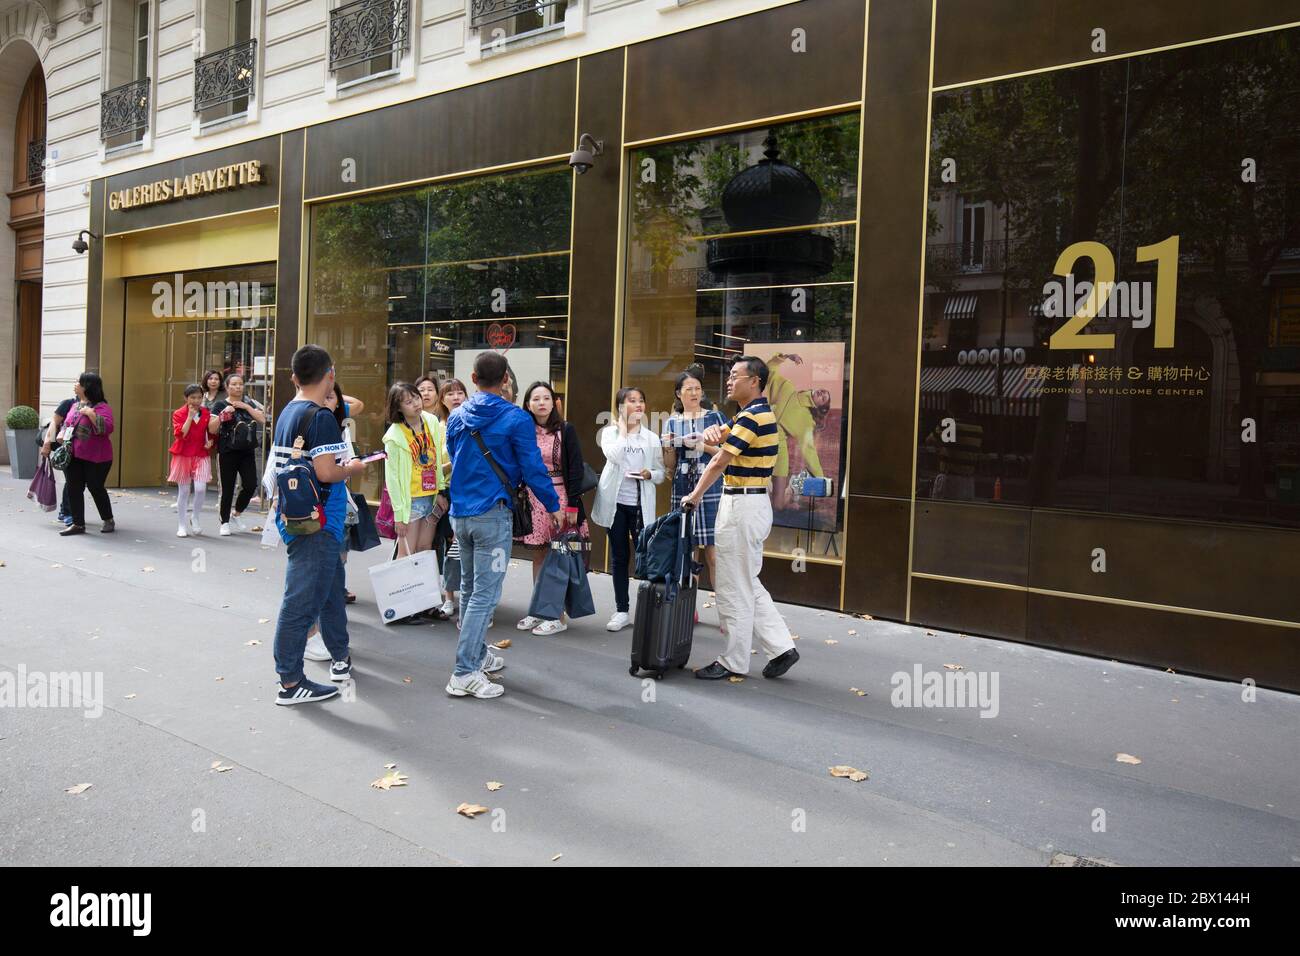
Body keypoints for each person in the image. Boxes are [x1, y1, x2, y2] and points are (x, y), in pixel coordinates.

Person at [443, 351, 561, 700]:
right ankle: (464, 670)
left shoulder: (457, 416)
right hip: (492, 516)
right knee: (485, 593)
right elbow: (532, 468)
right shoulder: (516, 419)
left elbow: (454, 454)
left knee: (470, 588)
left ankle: (477, 655)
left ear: (473, 379)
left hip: (460, 513)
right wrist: (553, 505)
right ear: (506, 379)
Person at [680, 356, 800, 681]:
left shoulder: (752, 416)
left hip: (742, 507)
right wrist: (703, 440)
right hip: (748, 505)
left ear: (755, 381)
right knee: (748, 581)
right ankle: (781, 647)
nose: (729, 381)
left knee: (733, 586)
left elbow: (720, 461)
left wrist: (694, 495)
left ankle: (734, 661)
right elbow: (720, 451)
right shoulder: (749, 416)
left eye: (736, 376)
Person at [265, 345, 371, 705]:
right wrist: (353, 468)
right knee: (301, 601)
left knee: (325, 592)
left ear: (294, 377)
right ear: (330, 374)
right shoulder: (320, 416)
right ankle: (290, 682)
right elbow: (327, 472)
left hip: (296, 517)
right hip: (318, 522)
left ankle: (333, 658)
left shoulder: (288, 412)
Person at [514, 382, 590, 636]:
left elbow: (576, 469)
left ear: (554, 402)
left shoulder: (566, 430)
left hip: (561, 497)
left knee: (559, 558)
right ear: (527, 404)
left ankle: (557, 615)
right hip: (534, 499)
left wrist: (572, 505)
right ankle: (539, 610)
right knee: (539, 557)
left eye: (546, 397)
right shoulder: (523, 430)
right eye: (536, 398)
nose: (541, 403)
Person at [591, 386, 665, 632]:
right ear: (621, 407)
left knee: (645, 557)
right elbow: (613, 455)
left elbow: (661, 474)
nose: (638, 405)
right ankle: (622, 610)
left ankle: (646, 612)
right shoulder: (610, 434)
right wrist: (623, 431)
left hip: (641, 504)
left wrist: (649, 473)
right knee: (619, 557)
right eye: (632, 401)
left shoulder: (652, 438)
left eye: (641, 400)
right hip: (616, 504)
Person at [382, 382, 448, 620]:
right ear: (398, 408)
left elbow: (436, 460)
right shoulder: (394, 436)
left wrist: (440, 490)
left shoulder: (430, 422)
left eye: (416, 398)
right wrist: (399, 514)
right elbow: (393, 479)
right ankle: (402, 606)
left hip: (429, 497)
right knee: (406, 553)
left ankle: (427, 602)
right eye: (408, 402)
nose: (416, 404)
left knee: (424, 551)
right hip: (409, 501)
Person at [662, 369, 726, 595]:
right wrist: (669, 446)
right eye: (688, 389)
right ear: (678, 394)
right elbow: (669, 464)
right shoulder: (671, 422)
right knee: (688, 549)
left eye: (697, 388)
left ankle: (725, 610)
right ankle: (688, 607)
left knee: (713, 551)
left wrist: (702, 446)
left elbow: (726, 453)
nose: (694, 393)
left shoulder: (714, 418)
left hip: (711, 485)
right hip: (682, 485)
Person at [208, 373, 266, 536]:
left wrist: (246, 407)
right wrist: (224, 414)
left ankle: (237, 513)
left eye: (240, 384)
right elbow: (212, 428)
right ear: (227, 387)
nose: (237, 387)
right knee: (227, 488)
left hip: (247, 450)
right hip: (227, 451)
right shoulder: (220, 404)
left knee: (250, 485)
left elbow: (262, 419)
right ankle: (224, 522)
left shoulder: (249, 402)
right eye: (233, 384)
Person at [58, 372, 115, 537]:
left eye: (79, 382)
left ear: (87, 387)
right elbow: (67, 424)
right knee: (74, 487)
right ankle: (77, 524)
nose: (76, 384)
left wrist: (91, 414)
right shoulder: (75, 405)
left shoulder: (102, 407)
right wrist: (62, 433)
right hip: (73, 454)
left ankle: (108, 519)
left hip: (97, 457)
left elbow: (107, 428)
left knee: (95, 487)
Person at [432, 378, 468, 618]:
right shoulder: (436, 426)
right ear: (442, 399)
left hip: (466, 491)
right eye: (450, 393)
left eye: (460, 392)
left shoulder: (470, 422)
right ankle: (448, 597)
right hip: (442, 491)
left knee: (460, 545)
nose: (456, 397)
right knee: (446, 545)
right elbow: (430, 463)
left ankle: (467, 596)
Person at [169, 385, 214, 538]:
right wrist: (189, 417)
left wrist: (210, 442)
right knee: (184, 491)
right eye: (192, 397)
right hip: (183, 454)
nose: (196, 401)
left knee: (201, 488)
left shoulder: (206, 413)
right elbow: (180, 434)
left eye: (199, 398)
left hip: (201, 453)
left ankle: (195, 517)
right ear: (186, 398)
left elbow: (210, 433)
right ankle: (181, 525)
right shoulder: (178, 413)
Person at [924, 387, 983, 500]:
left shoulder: (948, 424)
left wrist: (939, 447)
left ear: (952, 405)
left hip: (949, 481)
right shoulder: (978, 428)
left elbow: (929, 441)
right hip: (968, 483)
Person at [40, 391, 77, 525]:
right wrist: (47, 444)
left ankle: (66, 511)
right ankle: (67, 512)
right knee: (71, 480)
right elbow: (54, 423)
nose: (75, 385)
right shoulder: (68, 403)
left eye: (79, 382)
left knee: (76, 482)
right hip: (65, 449)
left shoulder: (94, 405)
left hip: (82, 450)